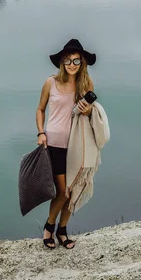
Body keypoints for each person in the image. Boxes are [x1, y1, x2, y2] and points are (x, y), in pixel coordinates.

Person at [36, 39, 96, 250]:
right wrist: (41, 132)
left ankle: (63, 230)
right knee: (62, 192)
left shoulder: (86, 84)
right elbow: (40, 109)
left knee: (74, 189)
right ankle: (49, 227)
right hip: (54, 144)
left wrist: (88, 111)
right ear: (62, 62)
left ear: (82, 63)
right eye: (68, 60)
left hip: (77, 145)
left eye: (76, 61)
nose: (72, 64)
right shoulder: (50, 83)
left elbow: (90, 115)